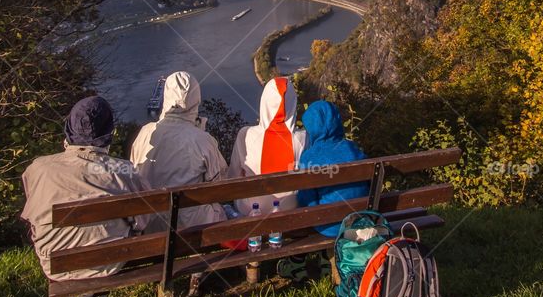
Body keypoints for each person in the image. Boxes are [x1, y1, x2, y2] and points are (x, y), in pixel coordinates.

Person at [21, 96, 151, 297]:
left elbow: (33, 213)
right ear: (109, 132)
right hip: (108, 262)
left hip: (54, 261)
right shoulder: (123, 171)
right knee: (112, 233)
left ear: (69, 129)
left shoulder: (38, 168)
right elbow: (142, 221)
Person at [128, 71, 228, 232]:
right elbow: (220, 185)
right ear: (196, 99)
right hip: (192, 228)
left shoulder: (145, 133)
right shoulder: (201, 139)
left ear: (166, 96)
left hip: (151, 225)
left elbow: (133, 174)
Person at [228, 76, 308, 214]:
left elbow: (232, 178)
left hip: (251, 210)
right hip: (288, 210)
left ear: (264, 101)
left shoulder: (246, 134)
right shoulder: (303, 137)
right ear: (292, 102)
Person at [296, 100, 368, 236]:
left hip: (329, 226)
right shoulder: (352, 148)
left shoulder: (309, 157)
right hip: (360, 220)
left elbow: (306, 200)